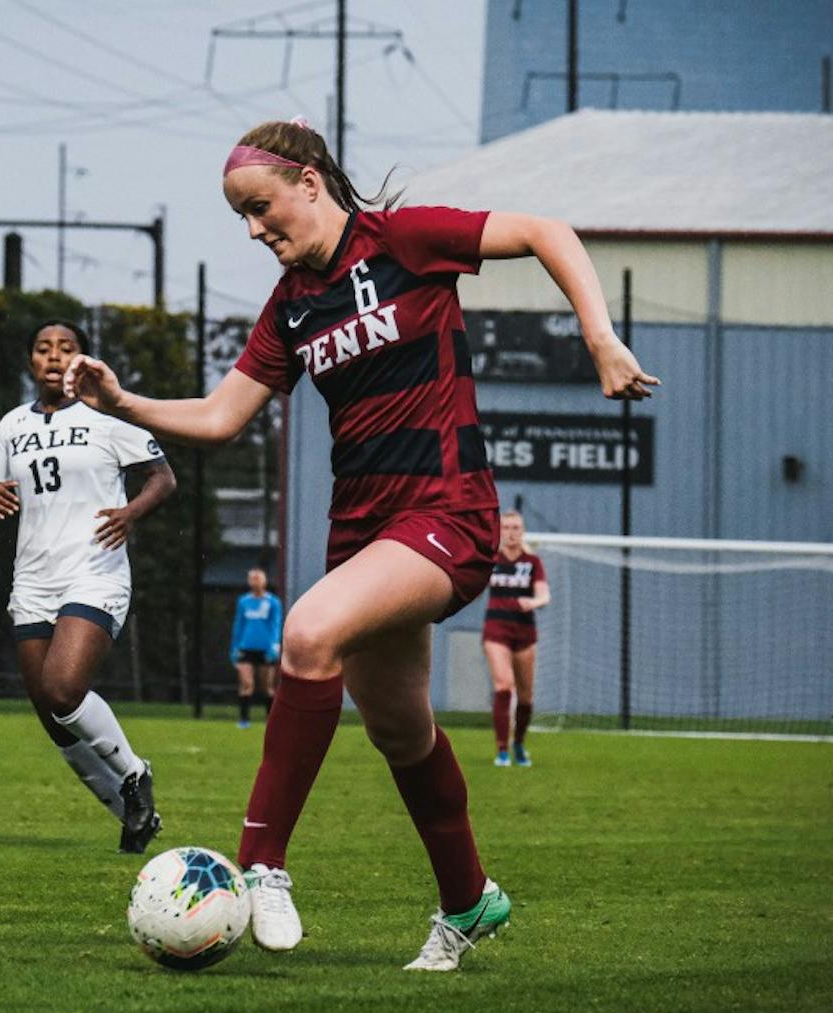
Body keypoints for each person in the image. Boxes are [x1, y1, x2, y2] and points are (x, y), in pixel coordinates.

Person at [65, 118, 658, 970]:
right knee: (401, 729)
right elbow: (222, 417)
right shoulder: (293, 302)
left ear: (311, 181)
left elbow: (543, 231)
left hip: (448, 512)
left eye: (262, 208)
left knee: (307, 633)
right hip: (364, 530)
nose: (255, 230)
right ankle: (468, 899)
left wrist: (599, 334)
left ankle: (262, 862)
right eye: (242, 217)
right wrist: (125, 402)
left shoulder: (406, 240)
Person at [0, 320, 177, 853]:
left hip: (95, 568)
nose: (54, 357)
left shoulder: (108, 417)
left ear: (83, 360)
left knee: (65, 689)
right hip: (33, 577)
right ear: (30, 362)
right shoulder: (12, 424)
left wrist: (131, 513)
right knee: (53, 715)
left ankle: (135, 773)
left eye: (67, 349)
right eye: (43, 349)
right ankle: (131, 815)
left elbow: (163, 477)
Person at [483, 509, 550, 767]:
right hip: (496, 630)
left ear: (522, 531)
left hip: (524, 632)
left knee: (525, 697)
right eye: (507, 528)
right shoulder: (491, 559)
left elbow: (544, 595)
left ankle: (519, 743)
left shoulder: (532, 562)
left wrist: (532, 602)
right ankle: (502, 749)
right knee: (503, 686)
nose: (511, 533)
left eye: (516, 528)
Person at [231, 567, 283, 728]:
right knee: (246, 684)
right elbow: (238, 625)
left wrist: (274, 646)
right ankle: (244, 720)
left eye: (258, 578)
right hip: (245, 648)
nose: (255, 581)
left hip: (266, 649)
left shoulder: (273, 602)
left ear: (264, 581)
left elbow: (276, 625)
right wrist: (234, 647)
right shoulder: (244, 602)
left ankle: (271, 721)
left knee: (266, 686)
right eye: (252, 578)